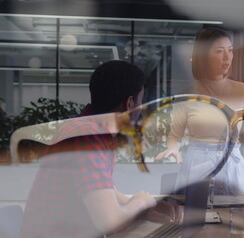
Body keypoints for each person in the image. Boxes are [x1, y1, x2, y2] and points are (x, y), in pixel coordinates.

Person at [20, 60, 182, 238]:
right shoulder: (86, 137)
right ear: (129, 103)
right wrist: (140, 203)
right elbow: (110, 222)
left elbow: (103, 189)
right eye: (141, 102)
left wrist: (144, 206)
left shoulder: (93, 131)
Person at [156, 27, 244, 196]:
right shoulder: (186, 95)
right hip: (198, 163)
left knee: (238, 217)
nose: (227, 57)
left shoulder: (242, 90)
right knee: (196, 216)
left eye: (230, 51)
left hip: (233, 164)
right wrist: (173, 149)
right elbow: (175, 135)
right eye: (219, 51)